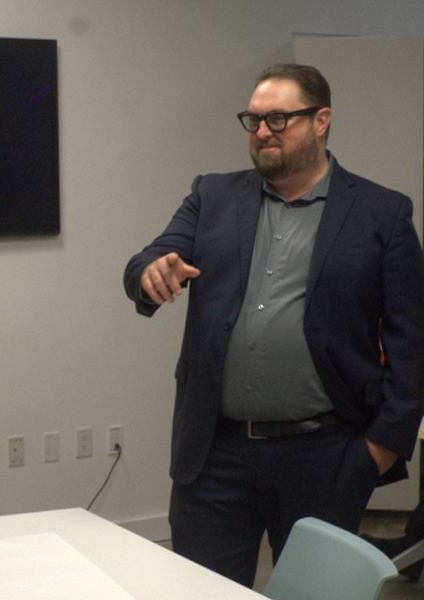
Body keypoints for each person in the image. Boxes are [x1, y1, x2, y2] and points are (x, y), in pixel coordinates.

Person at [123, 64, 424, 588]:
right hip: (215, 456)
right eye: (254, 120)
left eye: (278, 119)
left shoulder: (382, 213)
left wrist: (381, 448)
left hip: (326, 454)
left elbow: (412, 342)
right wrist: (150, 272)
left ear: (321, 120)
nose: (262, 131)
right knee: (202, 592)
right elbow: (149, 259)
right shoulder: (213, 196)